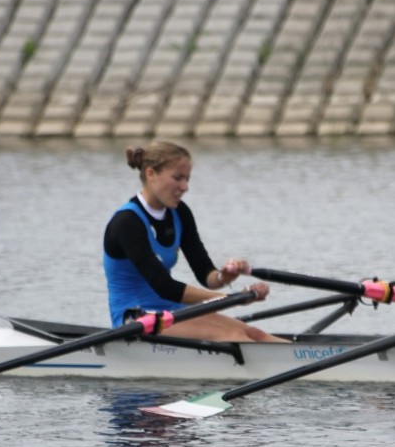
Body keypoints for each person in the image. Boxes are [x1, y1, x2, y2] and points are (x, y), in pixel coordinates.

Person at [103, 141, 286, 343]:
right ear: (150, 174)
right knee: (234, 337)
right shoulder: (126, 223)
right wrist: (229, 300)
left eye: (187, 179)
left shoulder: (180, 213)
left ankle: (317, 367)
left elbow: (205, 273)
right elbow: (165, 287)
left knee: (255, 334)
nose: (185, 187)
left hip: (172, 311)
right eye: (178, 178)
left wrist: (224, 276)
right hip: (134, 318)